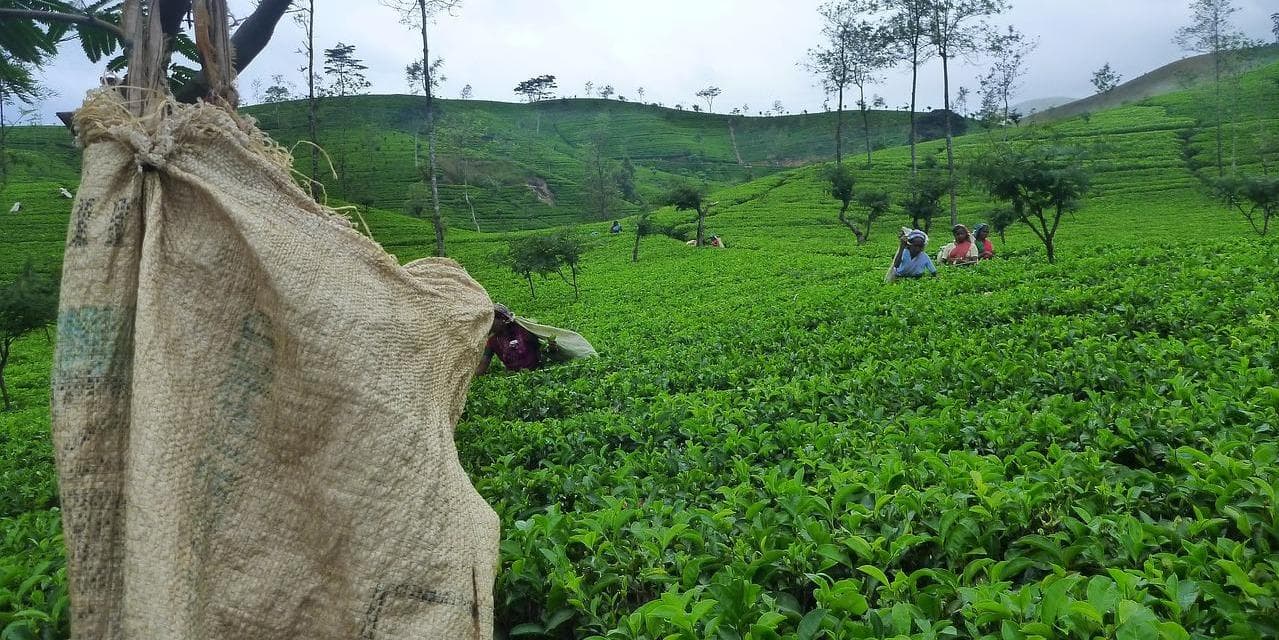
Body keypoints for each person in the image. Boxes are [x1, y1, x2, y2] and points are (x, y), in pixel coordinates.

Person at [476, 304, 599, 374]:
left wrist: (552, 348)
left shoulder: (523, 331)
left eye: (492, 320)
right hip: (514, 378)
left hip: (538, 373)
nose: (489, 324)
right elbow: (483, 365)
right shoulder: (491, 342)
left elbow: (544, 351)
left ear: (502, 319)